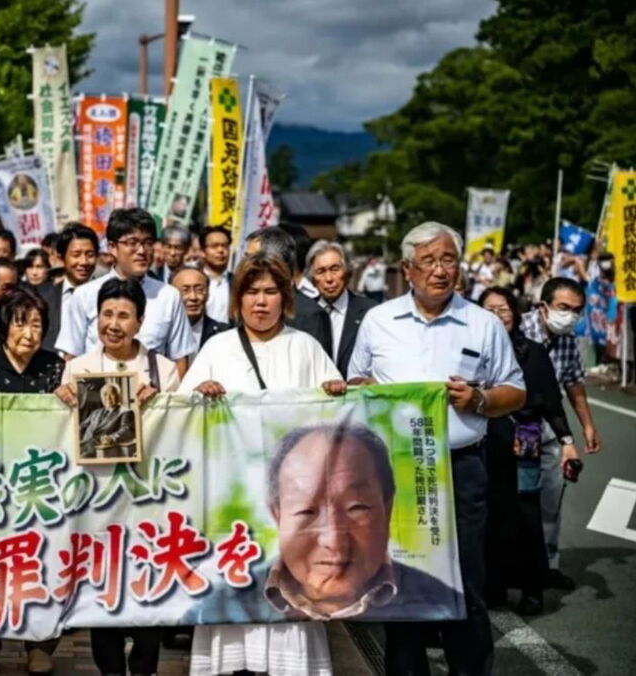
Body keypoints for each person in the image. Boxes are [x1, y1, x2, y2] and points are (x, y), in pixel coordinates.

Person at [348, 221, 526, 676]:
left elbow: (516, 390)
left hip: (460, 468)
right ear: (407, 269)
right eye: (428, 261)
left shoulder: (482, 324)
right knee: (403, 581)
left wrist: (480, 400)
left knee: (466, 580)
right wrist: (360, 389)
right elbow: (355, 384)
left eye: (448, 259)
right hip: (396, 471)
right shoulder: (378, 320)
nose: (440, 270)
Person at [178, 253, 342, 676]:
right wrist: (201, 392)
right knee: (235, 575)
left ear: (285, 298)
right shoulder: (217, 348)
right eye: (252, 292)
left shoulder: (305, 347)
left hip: (292, 504)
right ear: (237, 300)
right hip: (232, 499)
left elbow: (336, 418)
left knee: (287, 586)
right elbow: (179, 412)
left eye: (271, 291)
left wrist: (334, 392)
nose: (261, 301)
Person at [184, 423, 463, 625]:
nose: (334, 540)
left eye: (357, 508)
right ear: (277, 514)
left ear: (387, 507)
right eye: (307, 512)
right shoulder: (219, 603)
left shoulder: (435, 598)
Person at [55, 277, 178, 676]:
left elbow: (183, 431)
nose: (113, 323)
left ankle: (144, 669)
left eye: (123, 315)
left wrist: (163, 405)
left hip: (149, 502)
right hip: (98, 503)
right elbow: (58, 434)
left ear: (140, 322)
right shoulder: (77, 368)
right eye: (106, 314)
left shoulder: (163, 369)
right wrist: (58, 404)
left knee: (147, 592)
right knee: (101, 592)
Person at [479, 287, 576, 615]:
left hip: (525, 440)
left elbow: (552, 402)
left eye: (503, 310)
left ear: (515, 314)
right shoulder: (470, 350)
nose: (497, 316)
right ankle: (494, 586)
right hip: (484, 443)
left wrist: (567, 443)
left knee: (526, 514)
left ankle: (533, 588)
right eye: (489, 309)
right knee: (488, 516)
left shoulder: (533, 351)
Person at [520, 277, 602, 590]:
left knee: (550, 500)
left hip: (550, 428)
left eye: (576, 311)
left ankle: (548, 565)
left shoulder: (568, 339)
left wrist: (588, 426)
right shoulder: (518, 330)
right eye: (563, 308)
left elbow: (574, 386)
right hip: (515, 425)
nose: (569, 316)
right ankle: (509, 566)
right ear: (544, 306)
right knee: (515, 499)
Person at [56, 208, 196, 376]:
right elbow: (71, 356)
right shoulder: (84, 295)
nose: (142, 251)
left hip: (151, 397)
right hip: (96, 396)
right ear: (112, 247)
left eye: (148, 243)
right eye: (132, 243)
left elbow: (179, 359)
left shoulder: (169, 296)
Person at [297, 241, 377, 373]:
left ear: (347, 272)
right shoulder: (302, 313)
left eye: (335, 269)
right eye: (321, 271)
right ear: (312, 278)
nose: (329, 278)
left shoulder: (370, 312)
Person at [244, 227, 331, 348]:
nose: (245, 264)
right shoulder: (245, 307)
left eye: (252, 258)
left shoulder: (311, 315)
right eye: (245, 258)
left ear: (275, 261)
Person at [36, 223, 98, 351]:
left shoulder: (107, 295)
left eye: (90, 255)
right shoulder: (42, 296)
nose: (84, 262)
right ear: (61, 258)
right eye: (76, 255)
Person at [170, 266, 229, 358]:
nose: (193, 297)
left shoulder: (224, 334)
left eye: (199, 290)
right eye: (185, 291)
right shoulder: (162, 333)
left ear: (208, 293)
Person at [199, 226, 232, 323]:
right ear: (203, 252)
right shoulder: (194, 281)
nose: (221, 250)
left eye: (225, 246)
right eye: (214, 246)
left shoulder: (237, 282)